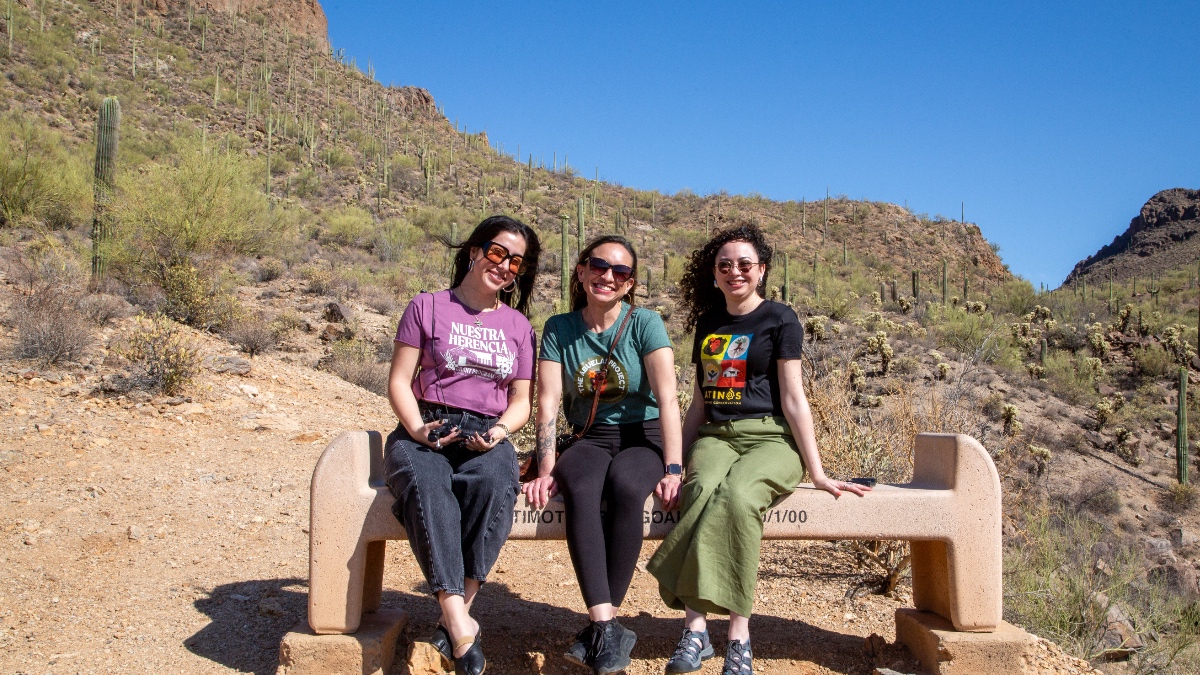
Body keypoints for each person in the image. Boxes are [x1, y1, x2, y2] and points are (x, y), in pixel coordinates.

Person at [647, 223, 871, 675]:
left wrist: (818, 471)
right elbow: (698, 402)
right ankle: (695, 632)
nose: (735, 272)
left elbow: (793, 399)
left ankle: (738, 636)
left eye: (745, 265)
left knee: (738, 497)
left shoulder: (781, 319)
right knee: (701, 487)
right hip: (717, 437)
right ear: (714, 274)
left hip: (771, 437)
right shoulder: (709, 323)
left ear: (762, 270)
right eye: (725, 265)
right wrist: (672, 463)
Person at [384, 215, 541, 675]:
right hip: (427, 423)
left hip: (485, 430)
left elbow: (521, 401)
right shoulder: (427, 305)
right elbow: (399, 380)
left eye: (517, 261)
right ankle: (460, 623)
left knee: (496, 482)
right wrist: (417, 429)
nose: (505, 266)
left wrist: (500, 432)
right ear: (474, 251)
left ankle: (454, 616)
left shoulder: (518, 325)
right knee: (429, 484)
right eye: (497, 252)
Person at [522, 235, 683, 674]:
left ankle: (599, 629)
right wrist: (547, 467)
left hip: (641, 435)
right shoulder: (560, 327)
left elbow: (669, 399)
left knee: (629, 487)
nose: (607, 276)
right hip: (589, 436)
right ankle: (608, 626)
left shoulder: (645, 323)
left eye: (620, 271)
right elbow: (549, 402)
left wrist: (672, 467)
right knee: (581, 485)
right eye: (598, 265)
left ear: (630, 284)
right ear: (581, 270)